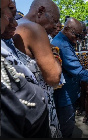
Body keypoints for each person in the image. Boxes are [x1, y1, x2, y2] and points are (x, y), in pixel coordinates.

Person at [12, 0, 63, 138]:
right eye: (54, 20)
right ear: (40, 11)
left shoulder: (14, 27)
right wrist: (55, 54)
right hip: (41, 107)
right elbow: (54, 78)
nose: (55, 26)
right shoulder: (34, 29)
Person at [1, 0, 50, 137]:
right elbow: (54, 76)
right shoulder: (33, 30)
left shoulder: (7, 44)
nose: (15, 24)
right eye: (9, 9)